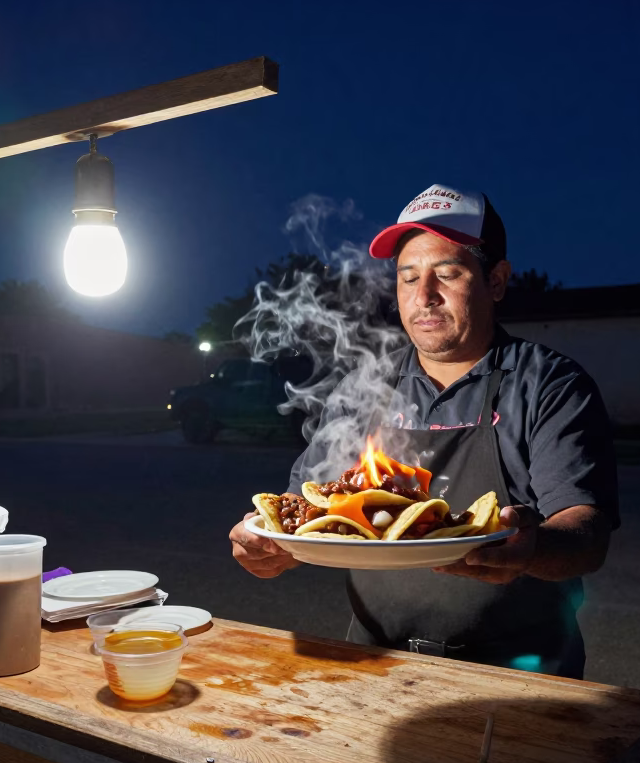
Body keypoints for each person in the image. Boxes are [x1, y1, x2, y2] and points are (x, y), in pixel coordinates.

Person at [228, 184, 618, 679]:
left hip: (520, 670)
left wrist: (533, 548)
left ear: (496, 280)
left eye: (447, 274)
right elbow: (302, 513)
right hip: (375, 662)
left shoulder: (549, 384)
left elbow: (587, 534)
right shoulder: (363, 386)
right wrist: (265, 543)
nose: (424, 297)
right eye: (408, 278)